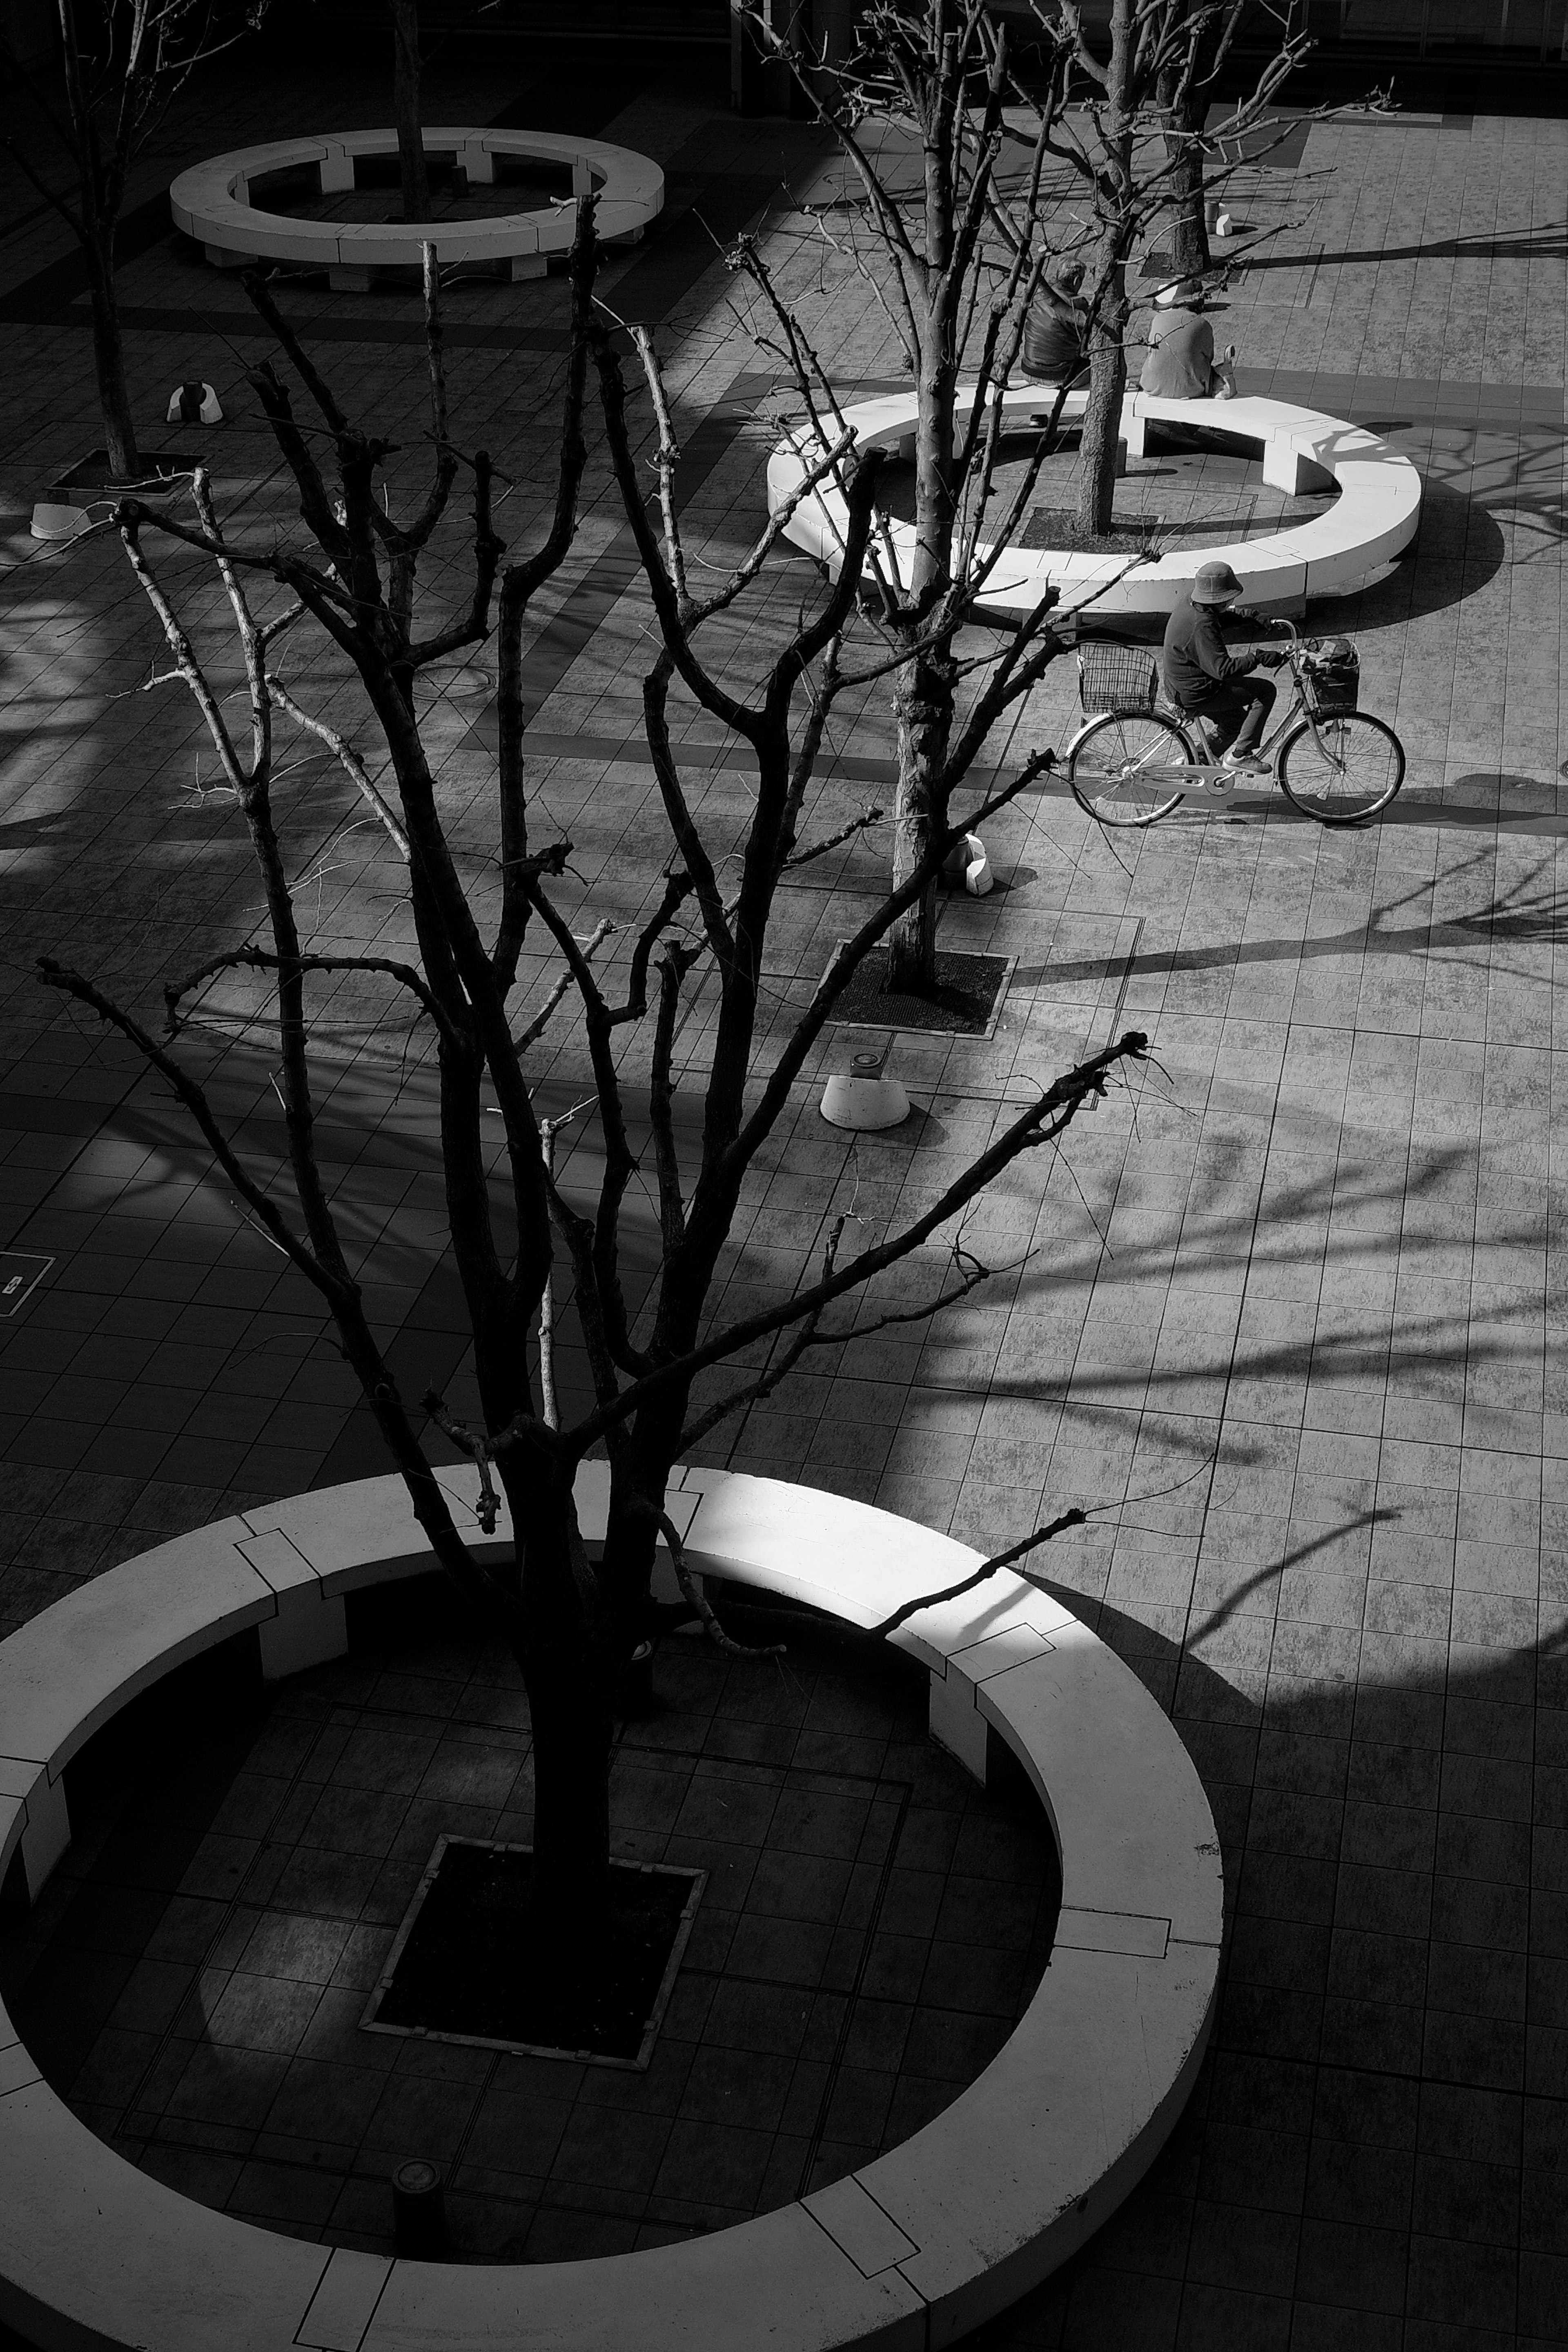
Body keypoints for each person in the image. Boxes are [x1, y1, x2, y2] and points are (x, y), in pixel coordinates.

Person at [1161, 559, 1287, 773]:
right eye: (1228, 599)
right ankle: (1242, 755)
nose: (1230, 602)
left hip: (1179, 685)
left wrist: (1254, 618)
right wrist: (1257, 658)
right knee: (1265, 691)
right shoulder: (1202, 625)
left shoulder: (1190, 602)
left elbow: (1221, 617)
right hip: (1197, 692)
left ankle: (1197, 759)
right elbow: (1223, 670)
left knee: (1235, 721)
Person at [1140, 281, 1236, 401]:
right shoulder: (1203, 325)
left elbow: (1150, 350)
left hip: (1151, 385)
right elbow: (1208, 357)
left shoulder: (1158, 320)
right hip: (1192, 390)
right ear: (1200, 305)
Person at [1022, 262, 1088, 386]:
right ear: (1076, 281)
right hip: (1061, 377)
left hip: (1029, 370)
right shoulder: (1078, 305)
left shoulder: (1037, 295)